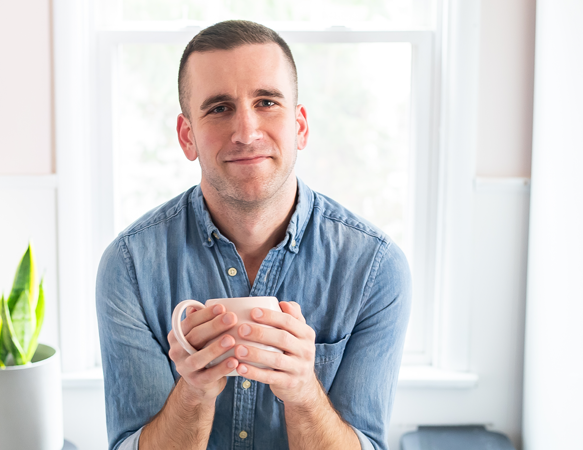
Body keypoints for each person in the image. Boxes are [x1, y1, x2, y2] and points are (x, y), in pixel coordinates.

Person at [96, 20, 411, 450]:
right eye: (219, 108)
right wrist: (193, 393)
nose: (246, 132)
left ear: (300, 127)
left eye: (266, 102)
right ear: (187, 136)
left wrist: (303, 393)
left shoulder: (376, 269)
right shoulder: (129, 267)